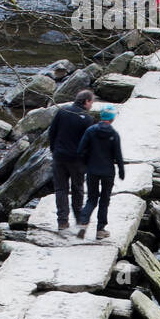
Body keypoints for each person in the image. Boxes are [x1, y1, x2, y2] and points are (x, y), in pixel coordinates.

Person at [46, 88, 96, 234]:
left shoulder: (62, 112)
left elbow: (52, 132)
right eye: (91, 102)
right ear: (86, 101)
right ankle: (79, 218)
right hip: (77, 160)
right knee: (77, 189)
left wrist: (54, 149)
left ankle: (62, 221)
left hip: (59, 157)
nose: (92, 105)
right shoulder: (87, 119)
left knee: (60, 189)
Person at [76, 105, 125, 240]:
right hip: (108, 172)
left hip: (92, 170)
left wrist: (86, 164)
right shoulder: (114, 134)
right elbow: (118, 155)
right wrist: (121, 171)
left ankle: (83, 222)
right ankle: (100, 230)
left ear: (101, 116)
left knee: (91, 198)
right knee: (104, 200)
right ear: (112, 118)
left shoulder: (90, 131)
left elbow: (80, 150)